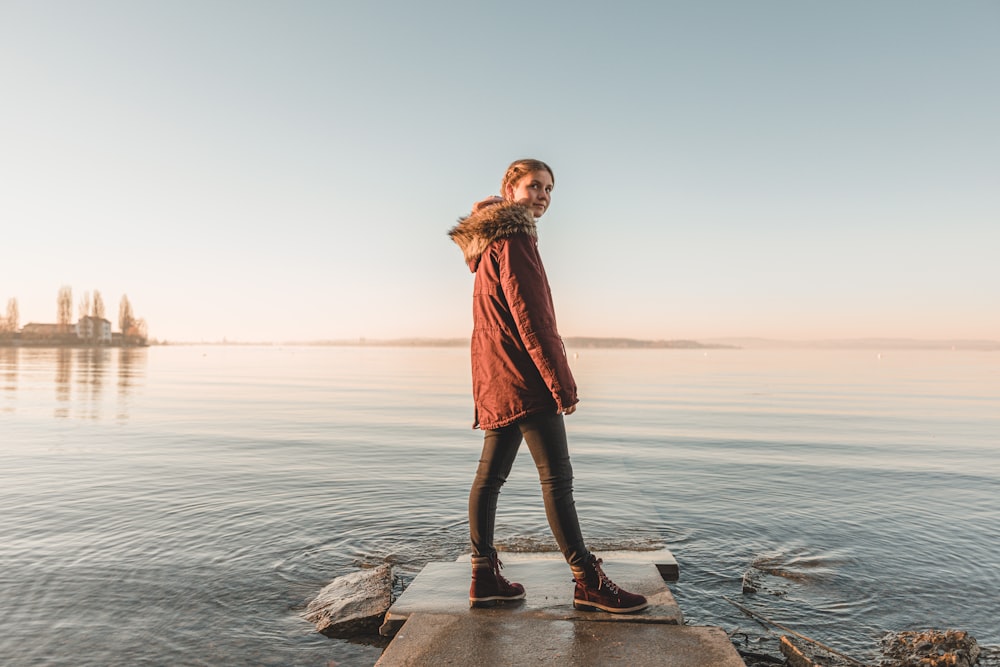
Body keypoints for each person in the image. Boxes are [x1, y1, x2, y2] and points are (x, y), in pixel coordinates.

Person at [447, 158, 648, 614]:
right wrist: (561, 383)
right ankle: (587, 581)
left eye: (550, 189)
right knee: (557, 479)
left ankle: (483, 577)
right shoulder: (515, 237)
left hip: (496, 375)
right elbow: (532, 317)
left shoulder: (488, 242)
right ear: (510, 188)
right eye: (534, 186)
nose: (543, 196)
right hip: (526, 377)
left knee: (490, 477)